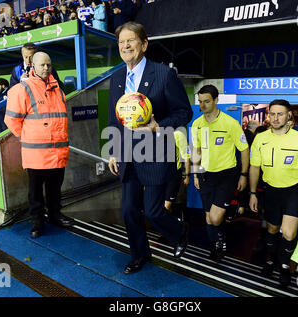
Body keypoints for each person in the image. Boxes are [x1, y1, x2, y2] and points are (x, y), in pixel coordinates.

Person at [107, 22, 192, 274]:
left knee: (154, 212)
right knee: (128, 210)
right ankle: (140, 254)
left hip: (155, 152)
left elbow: (183, 112)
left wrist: (159, 126)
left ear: (144, 44)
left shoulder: (164, 74)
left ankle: (180, 231)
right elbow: (115, 119)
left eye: (130, 40)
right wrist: (113, 149)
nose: (125, 46)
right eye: (121, 42)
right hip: (127, 154)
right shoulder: (117, 77)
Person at [4, 52, 74, 238]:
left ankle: (55, 215)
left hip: (58, 152)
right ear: (32, 66)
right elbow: (11, 120)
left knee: (55, 189)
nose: (46, 68)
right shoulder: (22, 88)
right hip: (36, 154)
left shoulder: (58, 88)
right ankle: (37, 221)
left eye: (49, 65)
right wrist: (27, 137)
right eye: (42, 65)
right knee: (35, 192)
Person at [249, 99, 298, 289]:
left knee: (288, 232)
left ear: (288, 116)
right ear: (268, 115)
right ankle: (271, 260)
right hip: (270, 191)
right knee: (272, 230)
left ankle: (285, 266)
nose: (276, 118)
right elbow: (254, 167)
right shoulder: (260, 139)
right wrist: (253, 193)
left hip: (293, 191)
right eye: (273, 114)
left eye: (280, 114)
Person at [191, 84, 249, 261]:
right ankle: (217, 243)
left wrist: (244, 174)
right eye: (200, 101)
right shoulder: (197, 124)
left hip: (226, 176)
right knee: (208, 217)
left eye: (207, 101)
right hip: (205, 176)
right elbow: (196, 151)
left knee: (215, 218)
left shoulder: (231, 123)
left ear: (216, 100)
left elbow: (244, 149)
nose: (203, 105)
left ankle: (221, 238)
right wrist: (195, 174)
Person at [164, 129, 190, 218]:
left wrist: (187, 176)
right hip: (158, 177)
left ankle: (180, 228)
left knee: (167, 207)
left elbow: (186, 157)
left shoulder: (178, 134)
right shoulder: (153, 133)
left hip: (174, 175)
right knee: (162, 208)